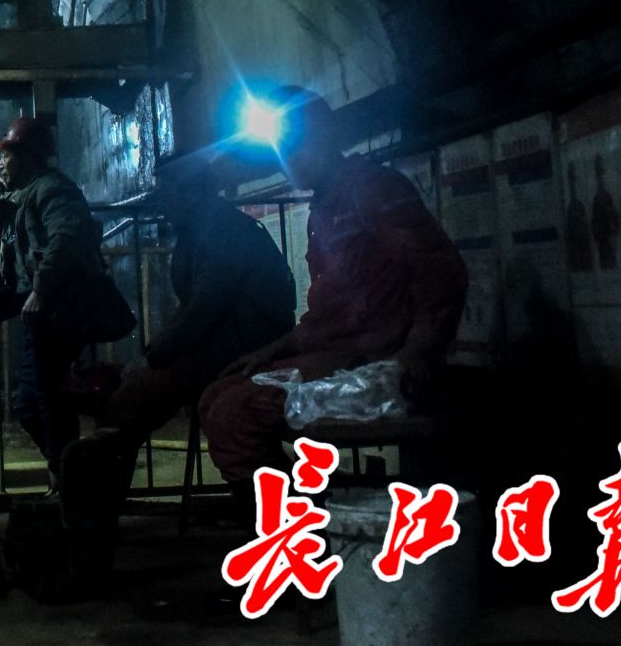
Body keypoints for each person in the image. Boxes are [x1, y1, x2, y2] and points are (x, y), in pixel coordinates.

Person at [198, 89, 467, 492]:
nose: (290, 159)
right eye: (283, 150)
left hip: (373, 361)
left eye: (299, 145)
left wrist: (416, 352)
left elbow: (440, 271)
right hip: (339, 356)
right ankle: (318, 504)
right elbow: (331, 312)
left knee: (235, 411)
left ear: (327, 137)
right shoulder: (324, 206)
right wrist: (275, 349)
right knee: (214, 397)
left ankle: (298, 516)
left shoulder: (372, 188)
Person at [57, 149, 296, 587]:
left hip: (239, 351)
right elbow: (197, 312)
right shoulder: (204, 228)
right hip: (223, 347)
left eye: (166, 193)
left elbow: (204, 309)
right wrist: (152, 357)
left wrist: (152, 358)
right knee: (124, 410)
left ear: (190, 192)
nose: (161, 203)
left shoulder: (219, 231)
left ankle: (91, 550)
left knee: (122, 409)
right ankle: (94, 536)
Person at [0, 115, 105, 481]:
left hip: (59, 308)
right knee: (34, 403)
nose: (0, 163)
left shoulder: (53, 190)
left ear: (28, 156)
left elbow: (66, 239)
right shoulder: (27, 191)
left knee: (48, 399)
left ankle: (70, 481)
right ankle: (69, 475)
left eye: (7, 155)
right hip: (45, 309)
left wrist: (41, 290)